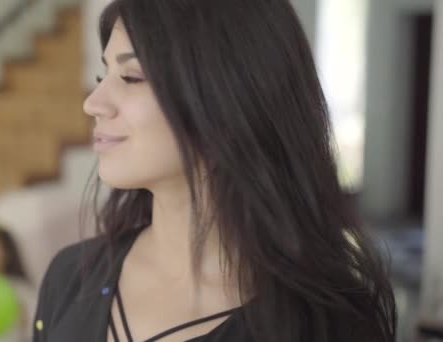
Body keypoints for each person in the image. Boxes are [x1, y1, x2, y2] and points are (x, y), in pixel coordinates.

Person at [33, 0, 397, 341]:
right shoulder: (70, 278)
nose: (92, 103)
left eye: (131, 77)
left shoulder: (325, 324)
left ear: (229, 97)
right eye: (103, 75)